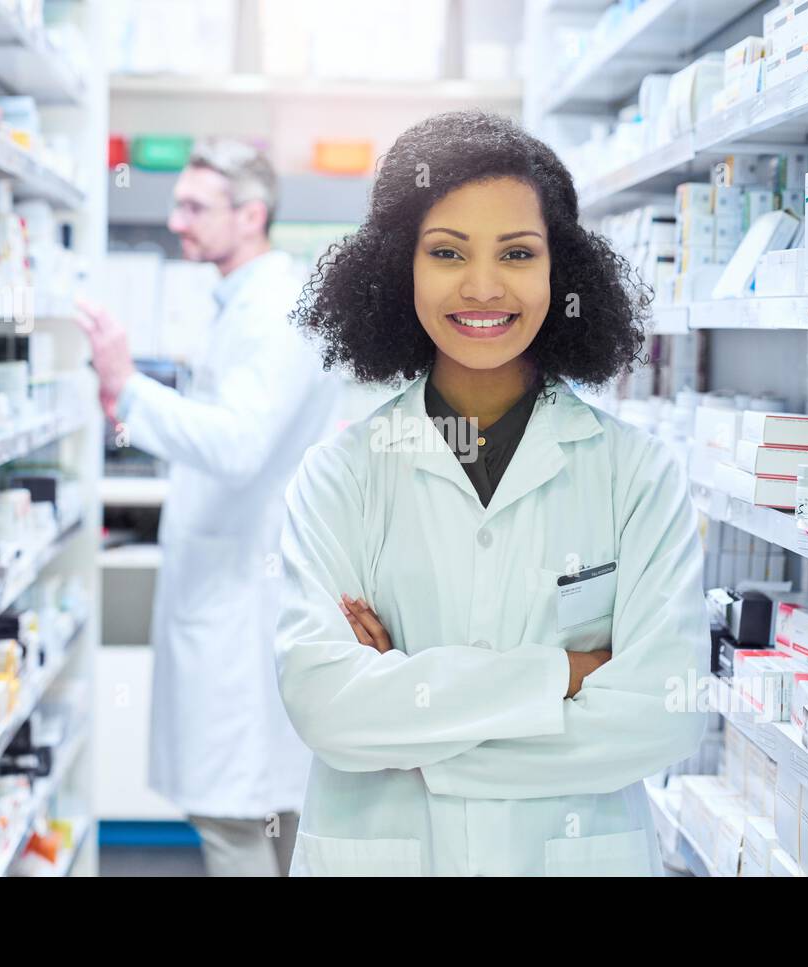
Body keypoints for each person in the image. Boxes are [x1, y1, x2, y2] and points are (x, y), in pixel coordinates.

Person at [275, 111, 706, 876]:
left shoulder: (637, 474)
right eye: (446, 252)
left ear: (559, 271)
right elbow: (326, 706)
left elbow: (660, 717)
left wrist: (413, 727)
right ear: (398, 267)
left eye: (517, 252)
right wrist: (565, 675)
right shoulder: (339, 475)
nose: (482, 286)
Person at [75, 139, 337, 876]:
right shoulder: (247, 301)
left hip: (246, 598)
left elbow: (239, 443)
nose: (175, 219)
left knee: (239, 818)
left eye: (194, 206)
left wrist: (127, 384)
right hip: (236, 584)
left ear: (251, 214)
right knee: (268, 820)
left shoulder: (275, 309)